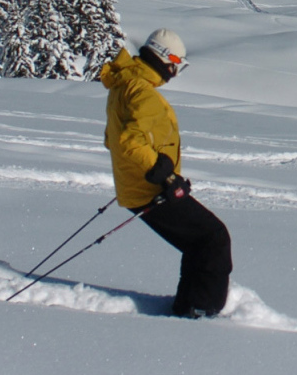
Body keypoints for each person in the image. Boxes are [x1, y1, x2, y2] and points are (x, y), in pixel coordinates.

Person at [99, 28, 233, 319]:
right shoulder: (140, 91)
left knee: (199, 241)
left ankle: (190, 306)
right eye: (176, 63)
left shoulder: (126, 83)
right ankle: (201, 310)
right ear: (164, 58)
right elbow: (129, 142)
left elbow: (114, 137)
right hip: (151, 190)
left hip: (141, 186)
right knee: (213, 237)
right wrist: (165, 176)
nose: (175, 71)